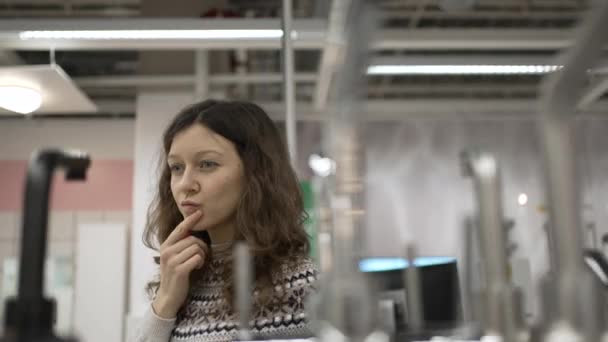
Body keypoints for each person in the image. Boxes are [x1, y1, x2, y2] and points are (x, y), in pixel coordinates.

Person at [134, 99, 318, 342]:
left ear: (255, 173)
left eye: (207, 164)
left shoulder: (302, 286)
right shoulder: (181, 279)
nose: (185, 184)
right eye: (176, 168)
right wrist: (166, 300)